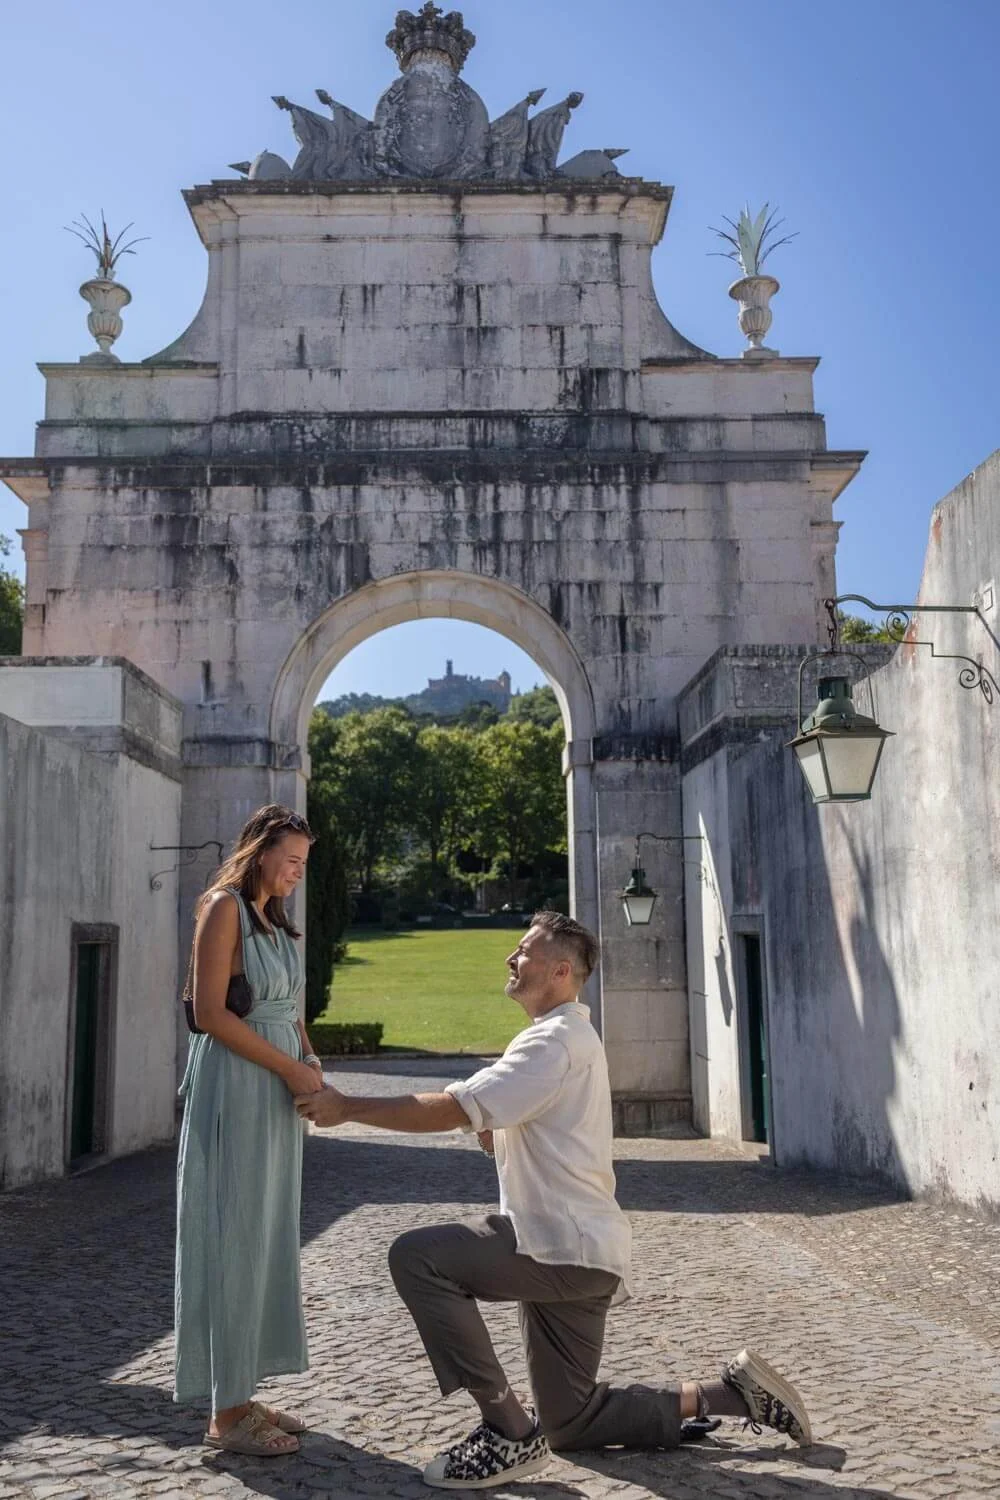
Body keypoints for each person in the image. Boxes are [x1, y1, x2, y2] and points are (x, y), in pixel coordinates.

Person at [297, 910, 813, 1490]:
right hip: (580, 1254)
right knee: (569, 1421)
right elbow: (499, 1113)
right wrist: (496, 1127)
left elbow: (454, 1107)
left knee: (418, 1257)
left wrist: (348, 1108)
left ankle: (506, 1429)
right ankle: (728, 1395)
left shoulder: (556, 1041)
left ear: (561, 971)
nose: (510, 959)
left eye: (524, 951)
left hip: (557, 1249)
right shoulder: (564, 1037)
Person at [175, 804, 325, 1457]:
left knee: (263, 1237)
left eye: (303, 863)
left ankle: (241, 1389)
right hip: (234, 1088)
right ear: (260, 851)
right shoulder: (224, 908)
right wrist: (292, 1068)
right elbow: (209, 1013)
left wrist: (311, 1063)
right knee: (232, 1234)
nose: (296, 873)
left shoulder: (272, 921)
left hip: (274, 1091)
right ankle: (226, 1413)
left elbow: (288, 1009)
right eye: (290, 859)